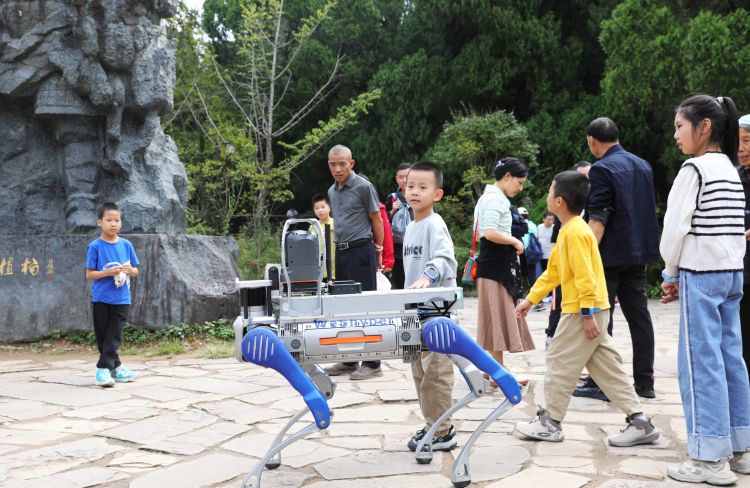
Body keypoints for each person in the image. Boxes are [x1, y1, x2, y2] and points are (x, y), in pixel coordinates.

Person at [514, 171, 659, 447]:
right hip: (591, 310)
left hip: (583, 311)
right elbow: (553, 272)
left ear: (558, 201)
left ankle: (551, 422)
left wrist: (586, 314)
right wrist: (530, 300)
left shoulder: (576, 233)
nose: (547, 194)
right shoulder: (570, 230)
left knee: (558, 360)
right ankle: (641, 422)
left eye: (549, 190)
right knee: (606, 368)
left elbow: (585, 277)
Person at [660, 95, 750, 485]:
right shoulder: (730, 169)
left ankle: (709, 458)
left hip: (703, 273)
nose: (676, 135)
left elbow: (675, 227)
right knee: (732, 359)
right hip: (732, 273)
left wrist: (670, 271)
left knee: (700, 364)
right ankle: (740, 448)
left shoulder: (694, 169)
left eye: (680, 126)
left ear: (705, 126)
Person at [574, 117, 660, 402]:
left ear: (592, 141)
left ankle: (601, 383)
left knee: (602, 317)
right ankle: (645, 383)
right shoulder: (643, 165)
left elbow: (598, 218)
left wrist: (582, 255)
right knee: (640, 318)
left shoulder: (602, 168)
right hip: (639, 253)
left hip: (609, 255)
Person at [400, 161, 459, 452]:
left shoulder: (435, 224)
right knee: (419, 373)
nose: (415, 192)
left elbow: (445, 258)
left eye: (423, 187)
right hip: (415, 312)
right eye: (411, 186)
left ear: (437, 194)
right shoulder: (411, 226)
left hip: (437, 313)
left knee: (436, 373)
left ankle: (444, 431)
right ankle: (432, 423)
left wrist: (428, 277)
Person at [324, 144, 385, 380]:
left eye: (342, 163)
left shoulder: (363, 187)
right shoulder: (331, 191)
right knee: (345, 307)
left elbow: (376, 219)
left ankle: (373, 362)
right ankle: (350, 359)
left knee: (366, 306)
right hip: (341, 252)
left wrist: (378, 249)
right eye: (333, 164)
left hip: (362, 250)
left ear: (352, 163)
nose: (338, 169)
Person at [473, 158, 535, 385]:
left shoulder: (492, 198)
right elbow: (489, 232)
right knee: (497, 317)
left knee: (496, 318)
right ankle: (497, 372)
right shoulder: (493, 199)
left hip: (494, 266)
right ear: (507, 176)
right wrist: (516, 242)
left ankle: (494, 371)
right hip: (495, 266)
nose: (520, 188)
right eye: (519, 182)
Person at [85, 202, 140, 387]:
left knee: (114, 334)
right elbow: (90, 274)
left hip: (122, 298)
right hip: (101, 298)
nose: (113, 224)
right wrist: (108, 273)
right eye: (109, 220)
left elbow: (136, 270)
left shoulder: (126, 244)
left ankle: (103, 369)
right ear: (99, 222)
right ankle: (116, 367)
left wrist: (129, 270)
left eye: (117, 220)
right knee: (103, 335)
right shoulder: (95, 246)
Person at [385, 162, 412, 289]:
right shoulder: (392, 197)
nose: (404, 180)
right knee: (400, 280)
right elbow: (384, 221)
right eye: (400, 177)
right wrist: (392, 211)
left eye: (407, 176)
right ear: (396, 178)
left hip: (415, 244)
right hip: (398, 248)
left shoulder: (420, 195)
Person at [738, 113, 750, 378]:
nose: (741, 148)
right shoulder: (733, 176)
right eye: (737, 141)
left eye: (747, 141)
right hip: (738, 269)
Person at [311, 193, 335, 280]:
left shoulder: (335, 223)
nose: (320, 210)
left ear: (329, 208)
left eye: (323, 207)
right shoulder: (313, 226)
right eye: (316, 208)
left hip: (335, 266)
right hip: (319, 269)